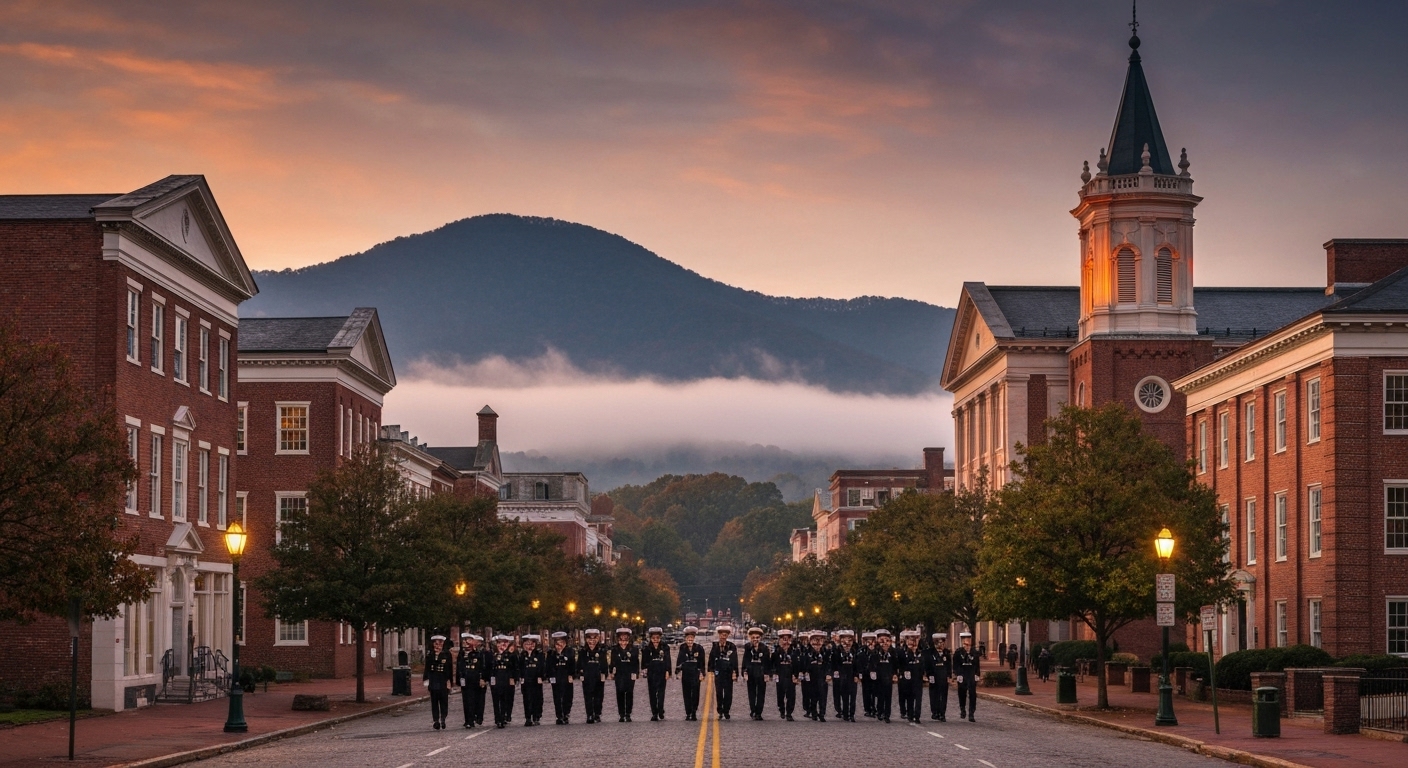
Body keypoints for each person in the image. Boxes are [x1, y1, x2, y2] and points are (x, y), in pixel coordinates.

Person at [456, 632, 489, 728]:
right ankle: (468, 720)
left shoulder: (479, 654)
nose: (465, 643)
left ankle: (477, 716)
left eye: (468, 640)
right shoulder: (462, 654)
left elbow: (483, 667)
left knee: (477, 700)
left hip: (476, 680)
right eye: (464, 640)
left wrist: (483, 678)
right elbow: (459, 667)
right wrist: (458, 680)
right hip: (466, 680)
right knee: (466, 701)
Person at [608, 627, 640, 722]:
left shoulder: (634, 649)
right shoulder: (615, 649)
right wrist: (611, 671)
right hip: (619, 673)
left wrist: (636, 673)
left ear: (628, 639)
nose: (623, 642)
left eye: (625, 640)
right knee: (620, 692)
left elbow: (636, 662)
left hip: (629, 673)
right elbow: (612, 662)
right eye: (621, 640)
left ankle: (628, 713)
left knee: (629, 693)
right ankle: (621, 714)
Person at [423, 634, 455, 730]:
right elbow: (427, 668)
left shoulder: (447, 654)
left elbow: (449, 669)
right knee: (434, 702)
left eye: (439, 644)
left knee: (443, 701)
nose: (437, 646)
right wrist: (426, 679)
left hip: (443, 680)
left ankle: (443, 718)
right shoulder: (430, 654)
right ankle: (436, 720)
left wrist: (450, 682)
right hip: (433, 680)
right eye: (436, 644)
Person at [707, 624, 738, 720]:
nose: (723, 637)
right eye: (721, 635)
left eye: (725, 635)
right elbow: (711, 659)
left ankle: (726, 711)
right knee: (719, 693)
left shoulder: (732, 646)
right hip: (718, 673)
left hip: (728, 673)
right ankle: (720, 711)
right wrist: (711, 670)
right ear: (719, 635)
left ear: (727, 636)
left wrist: (735, 672)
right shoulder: (715, 646)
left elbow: (734, 660)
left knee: (728, 693)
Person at [578, 628, 609, 724]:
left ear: (598, 639)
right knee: (588, 696)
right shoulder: (583, 651)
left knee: (599, 696)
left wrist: (604, 673)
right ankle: (589, 715)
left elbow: (604, 663)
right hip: (587, 676)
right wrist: (580, 673)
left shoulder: (601, 650)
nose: (592, 641)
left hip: (598, 676)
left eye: (594, 638)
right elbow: (579, 664)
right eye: (590, 638)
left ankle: (597, 714)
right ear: (586, 639)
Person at [675, 626, 706, 721]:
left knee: (695, 693)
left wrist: (702, 673)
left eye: (691, 638)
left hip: (695, 672)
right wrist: (678, 672)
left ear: (694, 638)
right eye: (688, 638)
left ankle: (694, 712)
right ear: (685, 639)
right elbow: (680, 660)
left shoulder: (699, 648)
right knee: (686, 693)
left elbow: (702, 662)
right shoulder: (682, 647)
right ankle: (688, 713)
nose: (690, 640)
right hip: (686, 673)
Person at [768, 628, 799, 721]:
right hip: (780, 675)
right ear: (780, 640)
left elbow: (797, 664)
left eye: (788, 639)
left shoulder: (794, 651)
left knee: (791, 695)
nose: (786, 641)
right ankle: (781, 710)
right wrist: (773, 673)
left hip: (790, 675)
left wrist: (796, 675)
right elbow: (772, 664)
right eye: (784, 639)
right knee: (780, 694)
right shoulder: (776, 651)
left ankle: (789, 713)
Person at [642, 627, 672, 721]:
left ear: (660, 637)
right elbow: (644, 661)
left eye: (657, 638)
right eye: (653, 638)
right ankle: (654, 713)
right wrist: (644, 670)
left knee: (661, 693)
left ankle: (660, 710)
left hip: (661, 672)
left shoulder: (665, 647)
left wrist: (668, 671)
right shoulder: (647, 648)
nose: (655, 640)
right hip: (651, 673)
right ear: (650, 638)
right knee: (652, 694)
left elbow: (668, 660)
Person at [489, 635, 519, 728]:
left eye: (504, 643)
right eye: (499, 643)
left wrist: (514, 678)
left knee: (504, 699)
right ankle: (497, 718)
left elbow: (515, 668)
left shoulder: (511, 655)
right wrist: (490, 679)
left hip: (506, 679)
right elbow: (489, 668)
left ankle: (503, 718)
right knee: (495, 700)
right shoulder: (493, 655)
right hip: (496, 679)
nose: (501, 645)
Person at [830, 629, 859, 722]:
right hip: (842, 676)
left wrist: (857, 675)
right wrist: (835, 673)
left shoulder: (855, 651)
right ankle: (845, 714)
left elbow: (857, 664)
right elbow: (834, 663)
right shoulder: (837, 651)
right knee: (845, 696)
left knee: (853, 697)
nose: (847, 642)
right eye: (844, 640)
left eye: (849, 640)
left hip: (852, 675)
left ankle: (852, 714)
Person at [547, 631, 577, 724]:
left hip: (566, 676)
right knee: (557, 697)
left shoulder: (570, 651)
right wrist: (550, 676)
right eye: (557, 642)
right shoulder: (551, 653)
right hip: (556, 677)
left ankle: (566, 713)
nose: (559, 645)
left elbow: (572, 664)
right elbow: (548, 665)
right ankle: (559, 716)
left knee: (568, 696)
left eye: (562, 642)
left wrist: (572, 675)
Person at [741, 626, 771, 720]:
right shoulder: (747, 647)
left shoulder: (764, 648)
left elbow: (767, 662)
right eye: (753, 637)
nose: (755, 639)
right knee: (751, 693)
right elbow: (745, 660)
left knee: (761, 694)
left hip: (761, 673)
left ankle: (759, 712)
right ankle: (753, 710)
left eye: (757, 637)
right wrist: (744, 671)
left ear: (760, 638)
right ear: (750, 638)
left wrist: (767, 673)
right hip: (751, 672)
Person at [870, 629, 898, 723]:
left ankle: (887, 715)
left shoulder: (892, 652)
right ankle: (880, 712)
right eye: (882, 640)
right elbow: (872, 664)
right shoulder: (875, 652)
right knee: (880, 696)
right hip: (879, 677)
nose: (885, 643)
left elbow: (895, 664)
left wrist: (895, 674)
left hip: (888, 676)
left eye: (887, 640)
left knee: (888, 696)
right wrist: (873, 673)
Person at [518, 634, 546, 726]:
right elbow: (520, 667)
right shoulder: (522, 655)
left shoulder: (539, 654)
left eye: (531, 643)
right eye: (527, 643)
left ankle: (536, 716)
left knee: (537, 698)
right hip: (526, 680)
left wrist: (541, 676)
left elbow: (542, 666)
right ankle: (528, 717)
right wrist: (521, 677)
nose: (529, 645)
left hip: (536, 680)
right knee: (527, 699)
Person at [923, 632, 952, 722]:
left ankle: (942, 713)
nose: (942, 645)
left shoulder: (946, 652)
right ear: (936, 643)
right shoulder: (929, 652)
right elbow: (927, 665)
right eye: (940, 643)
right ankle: (935, 712)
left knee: (943, 696)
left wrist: (949, 676)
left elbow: (948, 665)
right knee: (934, 695)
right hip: (933, 676)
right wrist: (928, 675)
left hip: (943, 676)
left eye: (943, 643)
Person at [953, 631, 981, 722]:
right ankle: (962, 709)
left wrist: (977, 674)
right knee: (962, 693)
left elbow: (977, 664)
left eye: (969, 640)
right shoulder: (958, 652)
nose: (967, 644)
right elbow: (955, 664)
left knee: (972, 694)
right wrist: (957, 674)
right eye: (965, 641)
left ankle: (971, 713)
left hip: (971, 674)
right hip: (962, 674)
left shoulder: (974, 652)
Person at [899, 630, 926, 723]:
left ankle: (917, 716)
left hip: (918, 678)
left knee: (918, 698)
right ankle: (910, 715)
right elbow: (900, 664)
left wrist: (924, 674)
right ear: (907, 641)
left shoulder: (921, 652)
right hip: (907, 678)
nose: (913, 642)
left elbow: (923, 664)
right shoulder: (903, 652)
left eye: (915, 640)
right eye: (911, 640)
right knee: (909, 697)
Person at [803, 630, 830, 721]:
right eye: (815, 640)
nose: (817, 644)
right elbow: (804, 664)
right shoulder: (807, 652)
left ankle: (822, 714)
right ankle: (814, 713)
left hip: (822, 677)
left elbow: (828, 664)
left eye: (820, 640)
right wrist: (805, 672)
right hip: (812, 677)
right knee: (813, 696)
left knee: (823, 696)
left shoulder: (826, 652)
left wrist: (828, 674)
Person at [859, 631, 877, 718]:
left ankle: (874, 708)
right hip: (865, 674)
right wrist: (860, 673)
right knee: (866, 692)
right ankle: (868, 709)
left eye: (872, 640)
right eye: (868, 640)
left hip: (875, 674)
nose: (870, 643)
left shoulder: (877, 651)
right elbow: (859, 663)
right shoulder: (861, 651)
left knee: (875, 692)